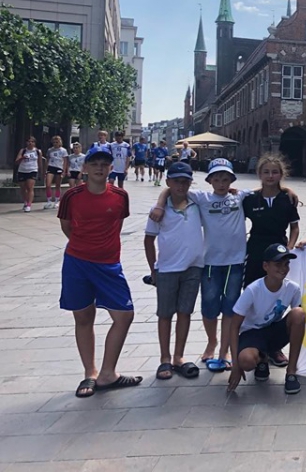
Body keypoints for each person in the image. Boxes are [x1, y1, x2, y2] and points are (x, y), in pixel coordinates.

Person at [150, 158, 257, 372]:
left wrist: (288, 190)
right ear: (209, 181)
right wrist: (160, 204)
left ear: (232, 180)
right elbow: (171, 189)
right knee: (209, 307)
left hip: (235, 262)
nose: (221, 183)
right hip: (209, 262)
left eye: (225, 179)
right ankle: (212, 341)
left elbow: (266, 189)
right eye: (216, 179)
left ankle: (224, 351)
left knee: (230, 307)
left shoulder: (240, 196)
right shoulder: (202, 198)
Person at [57, 145, 142, 397]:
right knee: (84, 317)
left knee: (124, 315)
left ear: (111, 168)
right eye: (94, 163)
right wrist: (85, 246)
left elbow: (116, 224)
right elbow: (67, 226)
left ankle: (108, 373)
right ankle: (90, 372)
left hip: (109, 264)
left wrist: (103, 248)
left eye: (104, 164)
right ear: (84, 168)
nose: (99, 168)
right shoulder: (72, 196)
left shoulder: (120, 196)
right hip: (77, 263)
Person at [144, 162, 204, 381]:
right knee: (165, 314)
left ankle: (179, 355)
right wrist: (153, 269)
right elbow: (148, 240)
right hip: (167, 268)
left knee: (185, 312)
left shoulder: (197, 204)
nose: (181, 185)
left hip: (193, 267)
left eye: (185, 181)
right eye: (176, 181)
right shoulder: (158, 210)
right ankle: (165, 357)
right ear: (168, 181)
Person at [227, 244, 306, 395]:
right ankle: (262, 359)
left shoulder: (293, 288)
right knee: (246, 360)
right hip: (252, 333)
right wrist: (235, 365)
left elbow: (298, 321)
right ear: (266, 266)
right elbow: (234, 326)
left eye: (286, 264)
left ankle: (291, 372)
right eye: (278, 264)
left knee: (299, 313)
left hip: (274, 331)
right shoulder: (253, 290)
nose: (283, 268)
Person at [242, 154, 301, 287]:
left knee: (276, 286)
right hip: (255, 248)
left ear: (281, 175)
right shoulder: (250, 199)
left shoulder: (288, 198)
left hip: (279, 247)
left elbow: (295, 227)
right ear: (259, 174)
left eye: (274, 172)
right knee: (252, 286)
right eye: (266, 172)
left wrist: (290, 247)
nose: (270, 176)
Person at [15, 136, 43, 213]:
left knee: (30, 187)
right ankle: (25, 201)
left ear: (34, 143)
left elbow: (40, 162)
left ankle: (29, 205)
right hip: (22, 170)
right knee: (23, 188)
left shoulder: (38, 151)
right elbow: (16, 161)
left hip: (32, 170)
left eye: (32, 142)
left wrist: (41, 172)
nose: (30, 143)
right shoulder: (23, 151)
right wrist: (22, 158)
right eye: (29, 141)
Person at [44, 135, 67, 209]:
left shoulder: (63, 150)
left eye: (57, 142)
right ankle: (49, 201)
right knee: (48, 185)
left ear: (60, 142)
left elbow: (65, 161)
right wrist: (45, 170)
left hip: (59, 167)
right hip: (51, 167)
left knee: (58, 185)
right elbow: (47, 160)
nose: (55, 144)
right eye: (54, 142)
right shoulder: (50, 150)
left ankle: (57, 201)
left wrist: (64, 171)